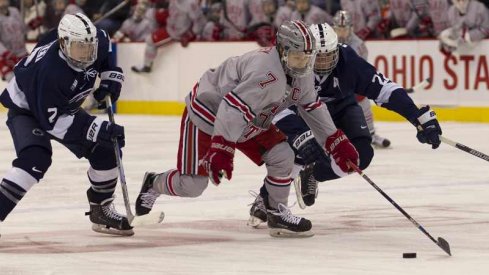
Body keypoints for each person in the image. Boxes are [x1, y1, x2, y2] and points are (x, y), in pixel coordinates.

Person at [134, 20, 359, 238]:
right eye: (297, 55)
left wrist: (336, 142)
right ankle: (154, 183)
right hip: (209, 114)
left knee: (283, 156)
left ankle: (276, 212)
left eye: (307, 57)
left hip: (250, 117)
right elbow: (230, 108)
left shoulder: (302, 70)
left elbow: (311, 105)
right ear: (282, 50)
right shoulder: (265, 73)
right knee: (193, 186)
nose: (303, 62)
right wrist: (222, 149)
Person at [248, 22, 442, 224]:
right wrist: (298, 134)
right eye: (319, 57)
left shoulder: (348, 61)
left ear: (337, 50)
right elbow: (274, 106)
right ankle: (267, 198)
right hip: (302, 110)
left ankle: (313, 173)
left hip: (341, 106)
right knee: (298, 150)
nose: (323, 63)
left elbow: (385, 89)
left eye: (329, 56)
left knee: (362, 155)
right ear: (308, 52)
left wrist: (416, 116)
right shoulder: (293, 62)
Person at [0, 13, 131, 236]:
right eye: (80, 48)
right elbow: (52, 122)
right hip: (28, 110)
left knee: (107, 149)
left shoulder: (95, 40)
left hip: (60, 106)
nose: (87, 54)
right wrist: (98, 129)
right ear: (63, 44)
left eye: (89, 47)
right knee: (35, 159)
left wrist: (110, 76)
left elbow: (105, 44)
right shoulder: (50, 72)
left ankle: (101, 209)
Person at [333, 10, 391, 148]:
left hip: (351, 82)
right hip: (332, 82)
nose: (341, 32)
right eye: (338, 29)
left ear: (351, 29)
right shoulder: (327, 42)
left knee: (362, 101)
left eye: (344, 29)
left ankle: (370, 134)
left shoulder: (358, 45)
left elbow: (358, 69)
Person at [131, 0, 205, 73]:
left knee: (150, 41)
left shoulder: (190, 3)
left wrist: (190, 35)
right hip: (171, 28)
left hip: (177, 33)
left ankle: (146, 66)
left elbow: (199, 21)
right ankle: (146, 65)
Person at [0, 0, 28, 82]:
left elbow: (22, 29)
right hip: (6, 57)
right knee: (14, 82)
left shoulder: (14, 11)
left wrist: (32, 25)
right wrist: (6, 54)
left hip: (22, 52)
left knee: (31, 79)